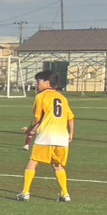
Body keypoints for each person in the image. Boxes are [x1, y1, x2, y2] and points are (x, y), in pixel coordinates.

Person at [20, 68, 75, 203]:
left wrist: (29, 130)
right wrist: (71, 134)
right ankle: (65, 194)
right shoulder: (62, 98)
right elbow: (71, 118)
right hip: (62, 138)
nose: (36, 84)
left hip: (46, 135)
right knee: (58, 166)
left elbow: (37, 118)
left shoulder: (41, 96)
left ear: (47, 82)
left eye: (38, 81)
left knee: (33, 162)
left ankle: (25, 193)